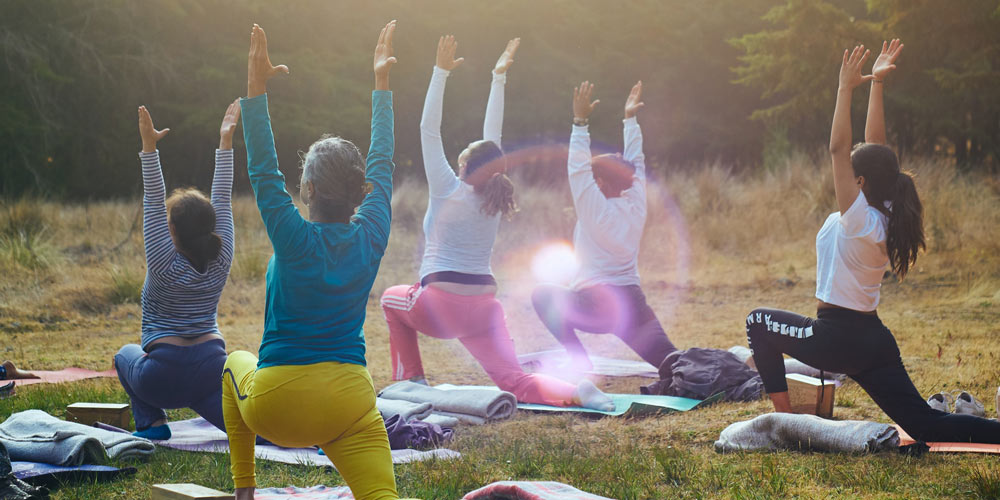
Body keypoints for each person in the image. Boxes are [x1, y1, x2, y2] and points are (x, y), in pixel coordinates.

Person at [745, 40, 1000, 443]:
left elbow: (837, 148)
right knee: (927, 426)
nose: (844, 171)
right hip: (871, 341)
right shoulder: (883, 210)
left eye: (851, 171)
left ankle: (788, 424)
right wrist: (877, 84)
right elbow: (874, 146)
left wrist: (845, 88)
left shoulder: (860, 218)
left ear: (859, 181)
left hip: (835, 338)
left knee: (757, 322)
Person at [380, 36, 613, 411]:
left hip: (438, 305)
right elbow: (494, 139)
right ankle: (578, 392)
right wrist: (498, 77)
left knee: (390, 300)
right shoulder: (493, 195)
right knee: (514, 380)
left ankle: (412, 381)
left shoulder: (447, 188)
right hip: (484, 307)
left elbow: (428, 128)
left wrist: (440, 72)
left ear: (464, 165)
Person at [222, 22, 399, 500]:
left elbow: (263, 170)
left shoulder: (292, 237)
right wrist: (381, 86)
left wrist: (255, 92)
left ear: (309, 190)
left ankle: (245, 490)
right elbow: (382, 164)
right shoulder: (372, 234)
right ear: (361, 193)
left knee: (232, 364)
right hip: (349, 401)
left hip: (277, 408)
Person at [530, 81, 678, 373]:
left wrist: (580, 122)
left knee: (542, 294)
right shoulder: (636, 203)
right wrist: (630, 120)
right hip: (632, 306)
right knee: (675, 363)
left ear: (599, 183)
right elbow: (636, 162)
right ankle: (736, 366)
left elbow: (577, 169)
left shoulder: (593, 210)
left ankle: (579, 361)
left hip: (594, 306)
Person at [113, 99, 239, 440]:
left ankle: (152, 424)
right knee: (250, 429)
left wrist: (149, 147)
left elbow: (153, 199)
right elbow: (223, 198)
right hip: (212, 370)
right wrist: (225, 142)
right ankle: (309, 434)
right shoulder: (222, 256)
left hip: (162, 377)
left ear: (171, 231)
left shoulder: (162, 262)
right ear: (211, 228)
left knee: (124, 355)